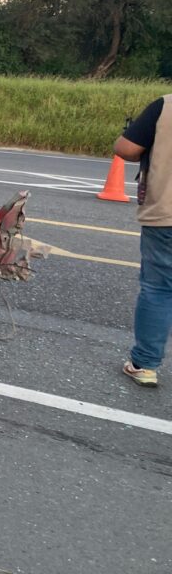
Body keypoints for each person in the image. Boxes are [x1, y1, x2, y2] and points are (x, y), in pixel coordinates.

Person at [115, 95, 172, 387]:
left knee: (159, 289)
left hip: (167, 213)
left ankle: (145, 365)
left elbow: (126, 148)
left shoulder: (166, 106)